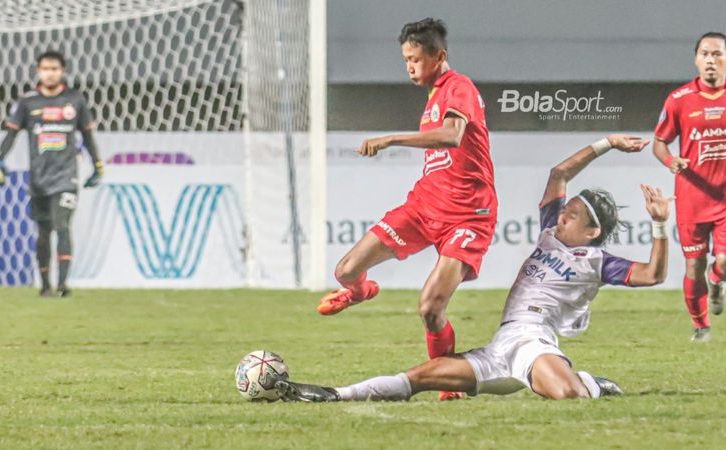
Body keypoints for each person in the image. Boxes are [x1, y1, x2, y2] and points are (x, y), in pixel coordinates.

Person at [278, 135, 670, 402]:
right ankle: (334, 394)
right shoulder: (550, 232)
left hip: (534, 341)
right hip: (501, 347)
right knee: (419, 378)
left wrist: (658, 224)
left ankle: (589, 384)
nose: (563, 214)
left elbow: (653, 275)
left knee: (568, 396)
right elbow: (559, 174)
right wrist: (608, 144)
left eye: (573, 215)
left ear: (593, 232)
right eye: (566, 209)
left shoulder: (598, 262)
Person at [316, 18, 496, 400]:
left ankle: (449, 384)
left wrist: (391, 138)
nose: (410, 67)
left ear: (439, 56)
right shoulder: (433, 96)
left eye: (415, 59)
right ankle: (361, 291)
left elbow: (452, 136)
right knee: (346, 270)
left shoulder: (458, 87)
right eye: (405, 60)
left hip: (468, 215)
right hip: (424, 206)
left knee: (431, 308)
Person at [652, 32, 726, 342]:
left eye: (717, 54)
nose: (710, 60)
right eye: (705, 54)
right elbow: (660, 142)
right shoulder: (679, 100)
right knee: (694, 265)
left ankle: (718, 282)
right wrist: (670, 161)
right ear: (696, 59)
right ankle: (701, 326)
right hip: (691, 198)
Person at [0, 50, 103, 298]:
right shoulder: (28, 102)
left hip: (67, 176)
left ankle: (63, 285)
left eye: (54, 68)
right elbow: (11, 134)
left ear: (62, 71)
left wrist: (97, 166)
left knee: (62, 225)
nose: (50, 73)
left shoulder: (75, 100)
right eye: (45, 68)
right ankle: (44, 286)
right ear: (38, 71)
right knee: (43, 232)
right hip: (39, 179)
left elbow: (87, 136)